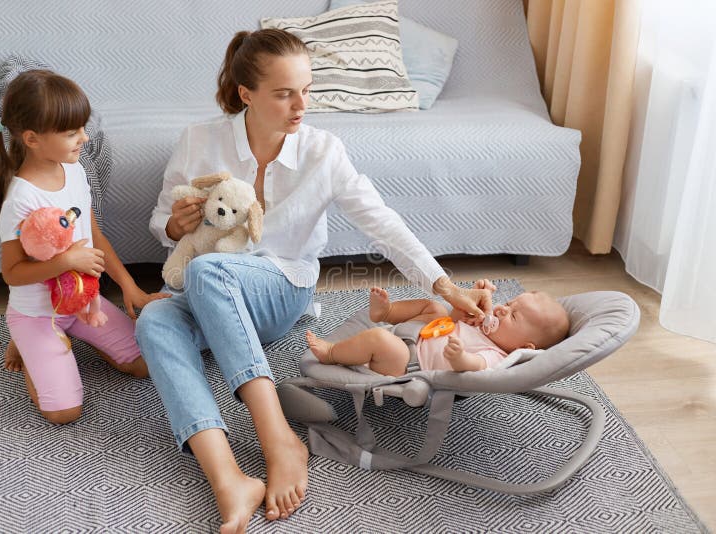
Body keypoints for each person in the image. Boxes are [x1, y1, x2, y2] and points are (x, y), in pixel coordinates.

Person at [135, 29, 493, 533]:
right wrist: (176, 225)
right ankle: (227, 478)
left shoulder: (323, 151)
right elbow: (161, 224)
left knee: (204, 270)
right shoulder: (199, 140)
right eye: (284, 93)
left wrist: (443, 285)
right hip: (209, 284)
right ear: (246, 95)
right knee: (153, 319)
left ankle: (275, 435)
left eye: (306, 89)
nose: (301, 105)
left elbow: (382, 222)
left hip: (281, 288)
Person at [0, 70, 168, 425]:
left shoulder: (75, 171)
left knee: (145, 366)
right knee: (64, 413)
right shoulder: (21, 199)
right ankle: (24, 341)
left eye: (82, 128)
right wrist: (65, 260)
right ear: (32, 139)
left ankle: (68, 338)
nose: (84, 138)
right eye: (72, 133)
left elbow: (95, 235)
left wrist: (130, 288)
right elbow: (11, 272)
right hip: (37, 313)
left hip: (82, 300)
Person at [305, 281, 570, 376]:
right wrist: (475, 298)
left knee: (378, 339)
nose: (501, 309)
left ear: (524, 347)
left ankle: (332, 353)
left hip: (408, 362)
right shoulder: (485, 326)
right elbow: (453, 318)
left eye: (513, 316)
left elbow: (475, 367)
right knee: (435, 307)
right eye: (510, 303)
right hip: (420, 333)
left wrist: (459, 357)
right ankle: (386, 312)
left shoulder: (496, 355)